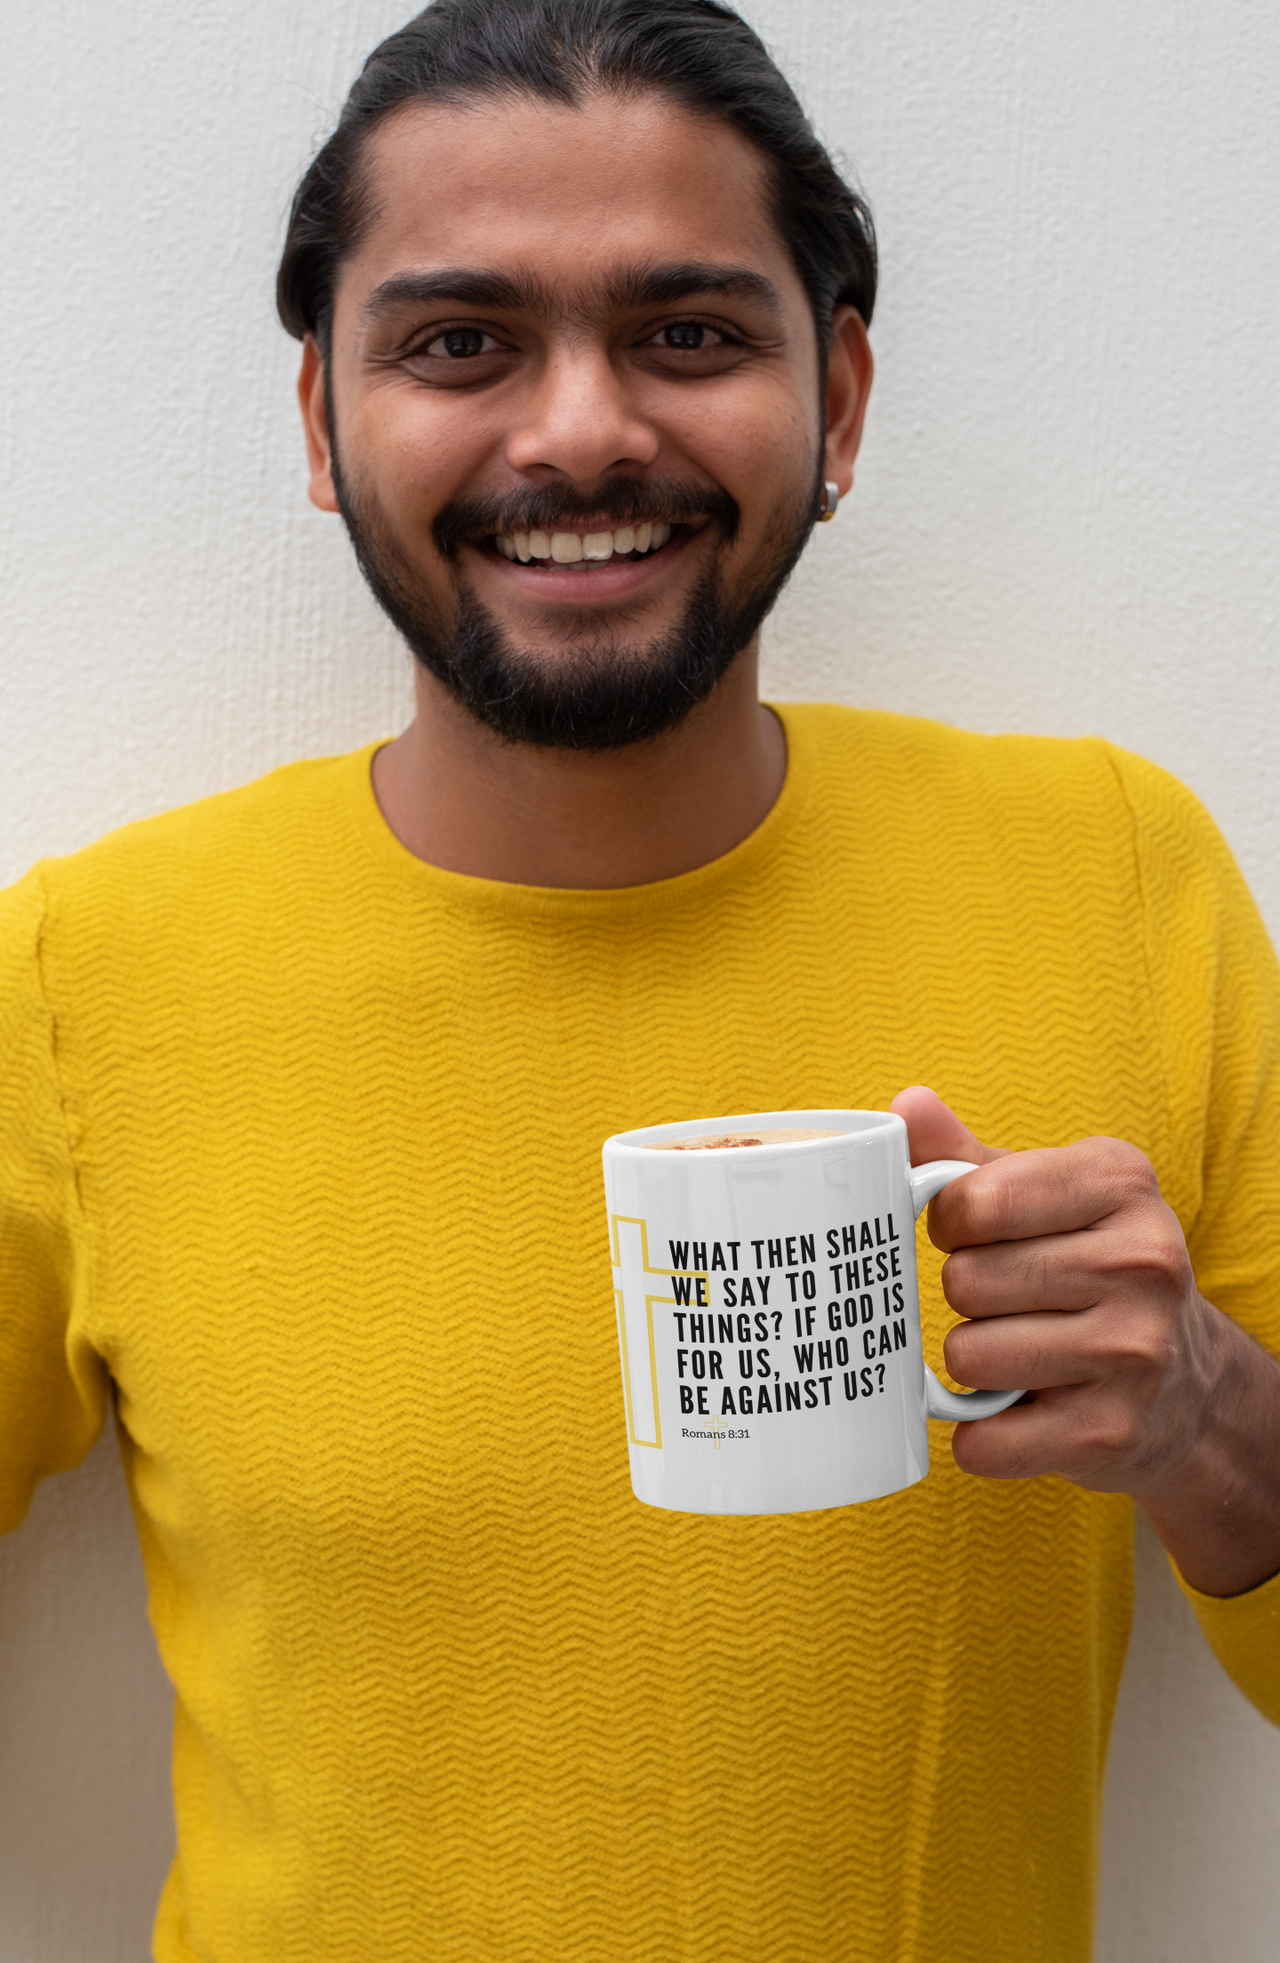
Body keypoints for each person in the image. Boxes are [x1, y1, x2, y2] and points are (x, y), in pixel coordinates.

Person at [2, 1, 1278, 1957]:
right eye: (458, 343)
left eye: (687, 333)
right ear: (324, 425)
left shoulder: (1120, 876)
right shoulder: (88, 980)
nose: (582, 426)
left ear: (835, 403)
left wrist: (1198, 1413)